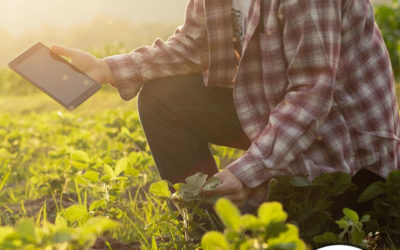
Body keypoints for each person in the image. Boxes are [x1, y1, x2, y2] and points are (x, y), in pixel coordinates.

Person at [52, 0, 400, 214]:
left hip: (343, 148)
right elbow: (194, 43)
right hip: (275, 115)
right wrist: (107, 68)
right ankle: (208, 221)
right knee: (162, 97)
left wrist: (248, 171)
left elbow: (312, 94)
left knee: (303, 226)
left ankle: (239, 196)